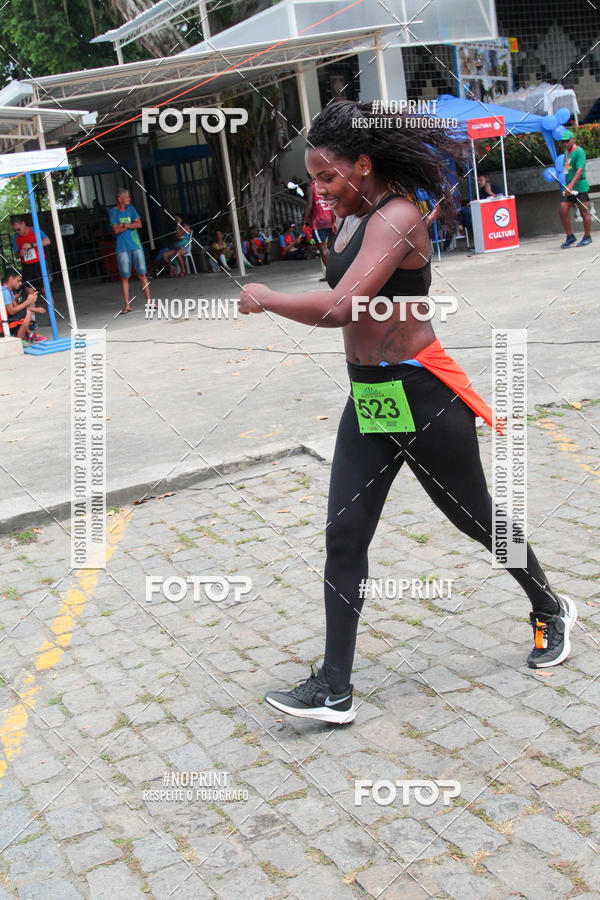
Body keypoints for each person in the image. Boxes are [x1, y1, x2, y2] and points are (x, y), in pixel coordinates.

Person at [238, 100, 576, 724]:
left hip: (422, 398)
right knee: (344, 534)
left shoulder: (396, 217)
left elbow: (343, 308)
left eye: (328, 177)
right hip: (369, 397)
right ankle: (334, 687)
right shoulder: (348, 218)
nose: (319, 190)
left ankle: (550, 606)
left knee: (476, 521)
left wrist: (267, 297)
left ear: (363, 165)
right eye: (313, 178)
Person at [108, 189, 152, 314]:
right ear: (119, 199)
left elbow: (139, 225)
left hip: (136, 246)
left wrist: (124, 225)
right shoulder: (113, 212)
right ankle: (127, 304)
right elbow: (115, 230)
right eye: (126, 197)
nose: (129, 199)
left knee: (142, 274)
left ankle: (149, 301)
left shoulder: (131, 209)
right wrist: (130, 224)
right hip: (122, 248)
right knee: (125, 276)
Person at [558, 130, 592, 248]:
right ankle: (570, 236)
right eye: (563, 142)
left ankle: (587, 237)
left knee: (584, 211)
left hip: (579, 186)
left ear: (573, 140)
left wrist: (571, 185)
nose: (565, 143)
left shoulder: (579, 152)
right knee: (562, 210)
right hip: (569, 188)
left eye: (567, 141)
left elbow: (580, 170)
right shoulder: (567, 153)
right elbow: (567, 170)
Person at [1, 268, 46, 342]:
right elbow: (12, 311)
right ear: (11, 279)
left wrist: (36, 309)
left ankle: (29, 335)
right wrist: (28, 301)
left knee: (26, 312)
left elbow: (17, 308)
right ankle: (18, 342)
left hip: (5, 320)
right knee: (27, 314)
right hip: (2, 325)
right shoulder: (5, 291)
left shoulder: (9, 291)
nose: (20, 283)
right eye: (18, 281)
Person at [303, 178, 334, 271]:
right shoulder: (326, 184)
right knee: (331, 247)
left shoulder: (311, 187)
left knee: (323, 248)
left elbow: (309, 206)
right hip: (330, 220)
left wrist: (304, 221)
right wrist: (334, 221)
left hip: (318, 222)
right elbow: (331, 203)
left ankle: (331, 272)